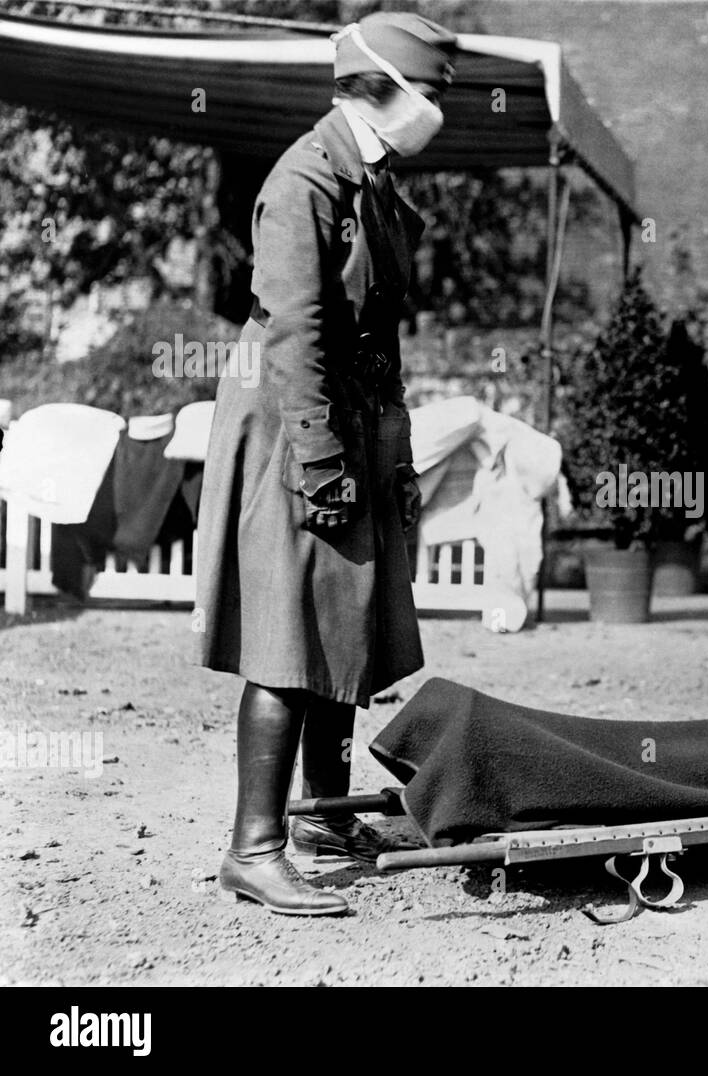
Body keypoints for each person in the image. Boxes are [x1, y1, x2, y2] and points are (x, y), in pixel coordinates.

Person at [194, 12, 457, 915]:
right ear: (381, 86)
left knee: (342, 623)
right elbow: (296, 336)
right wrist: (320, 463)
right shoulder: (306, 179)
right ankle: (252, 848)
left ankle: (322, 814)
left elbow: (379, 332)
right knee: (287, 635)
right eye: (434, 93)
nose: (440, 113)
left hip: (352, 418)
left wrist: (395, 451)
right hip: (292, 425)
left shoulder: (374, 181)